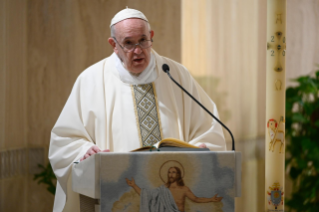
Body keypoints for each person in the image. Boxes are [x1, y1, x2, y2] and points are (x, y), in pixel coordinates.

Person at [49, 8, 226, 212]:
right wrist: (83, 151)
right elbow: (64, 140)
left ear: (151, 37)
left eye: (143, 40)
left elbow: (208, 128)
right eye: (129, 43)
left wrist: (199, 150)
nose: (138, 50)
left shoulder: (175, 74)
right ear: (114, 45)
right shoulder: (91, 80)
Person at [126, 167, 223, 212]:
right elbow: (146, 195)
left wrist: (211, 199)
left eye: (173, 172)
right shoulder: (163, 189)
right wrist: (134, 185)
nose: (171, 174)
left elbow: (196, 199)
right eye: (169, 172)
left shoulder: (184, 189)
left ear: (178, 175)